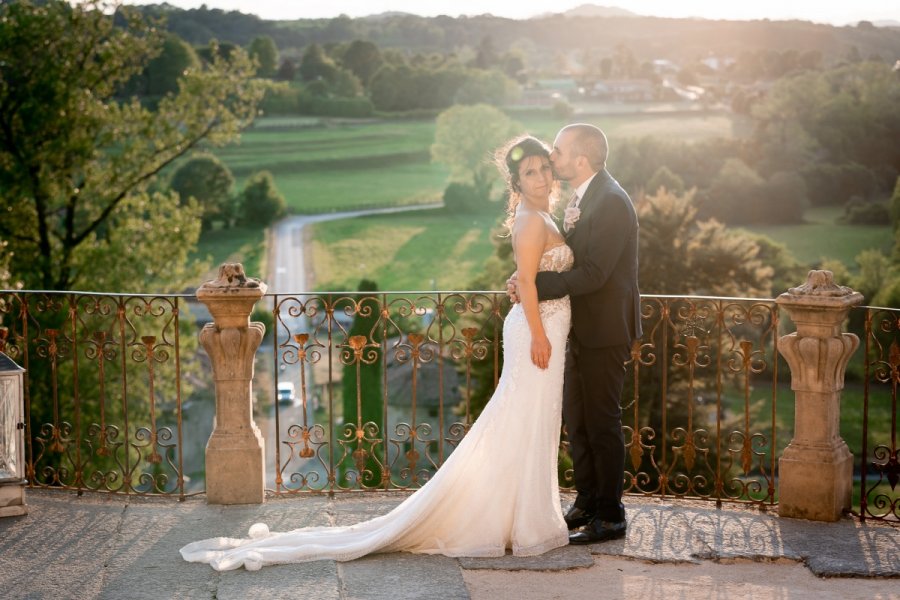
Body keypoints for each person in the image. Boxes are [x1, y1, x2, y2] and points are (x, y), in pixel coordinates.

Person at [179, 136, 574, 571]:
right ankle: (519, 521)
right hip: (538, 336)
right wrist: (538, 335)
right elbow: (530, 284)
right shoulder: (531, 220)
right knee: (522, 420)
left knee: (527, 421)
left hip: (543, 330)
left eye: (543, 168)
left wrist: (523, 293)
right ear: (517, 182)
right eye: (530, 172)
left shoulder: (540, 214)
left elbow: (526, 274)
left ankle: (520, 515)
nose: (540, 177)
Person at [509, 123, 641, 545]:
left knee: (603, 422)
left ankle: (611, 514)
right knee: (578, 421)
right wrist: (525, 276)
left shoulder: (612, 202)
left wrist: (535, 284)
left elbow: (596, 273)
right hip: (577, 328)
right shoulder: (584, 198)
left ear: (580, 159)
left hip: (605, 329)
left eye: (559, 153)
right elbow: (567, 259)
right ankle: (585, 503)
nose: (554, 159)